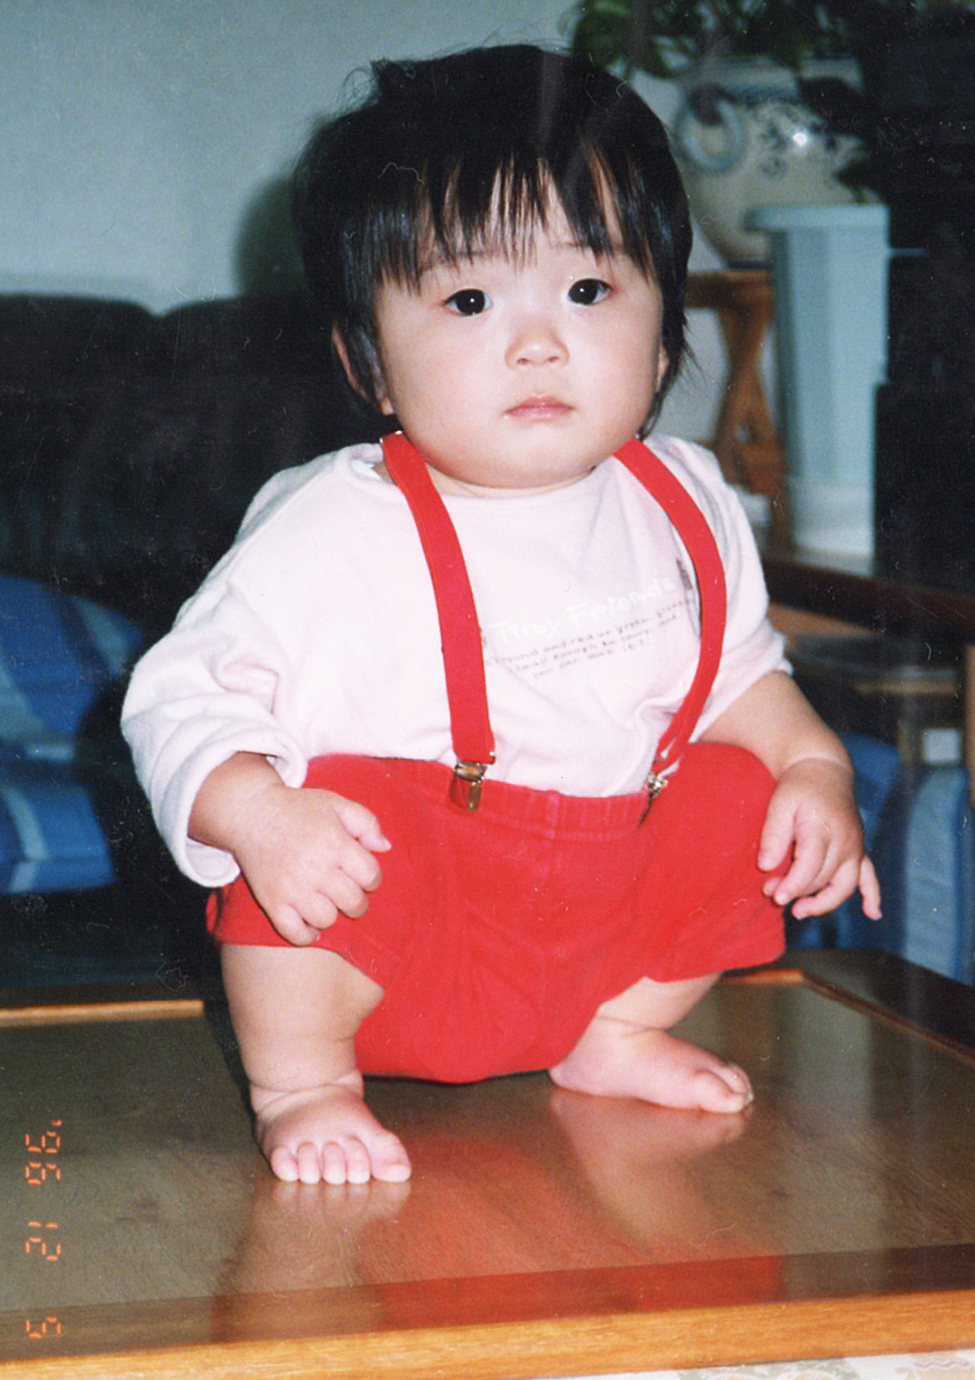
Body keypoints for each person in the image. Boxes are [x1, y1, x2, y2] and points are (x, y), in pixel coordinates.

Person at [122, 44, 881, 1187]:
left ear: (665, 334)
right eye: (470, 300)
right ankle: (303, 1088)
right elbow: (177, 699)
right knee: (332, 815)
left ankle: (614, 1032)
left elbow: (741, 676)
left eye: (589, 291)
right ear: (370, 364)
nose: (538, 343)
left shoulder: (687, 502)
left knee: (743, 788)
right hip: (393, 948)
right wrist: (261, 816)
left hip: (596, 927)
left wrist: (816, 770)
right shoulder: (331, 528)